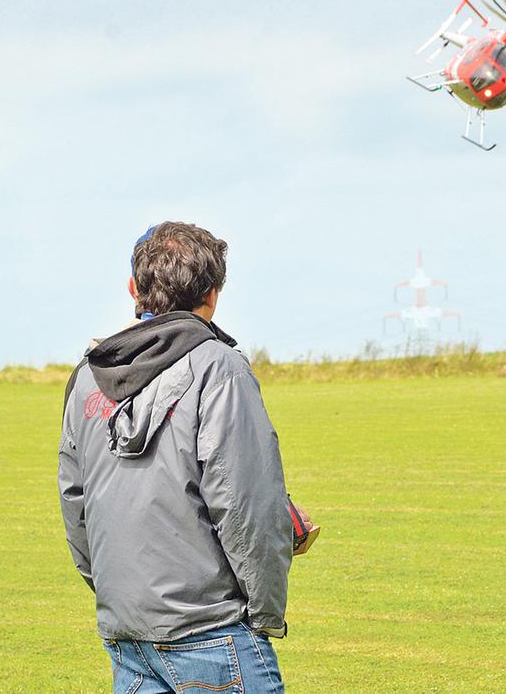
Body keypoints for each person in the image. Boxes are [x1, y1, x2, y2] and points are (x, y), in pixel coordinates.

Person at [59, 221, 311, 693]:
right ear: (213, 295)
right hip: (212, 629)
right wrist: (264, 613)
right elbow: (243, 504)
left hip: (128, 632)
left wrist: (123, 596)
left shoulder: (87, 378)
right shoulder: (219, 367)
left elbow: (76, 504)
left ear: (135, 289)